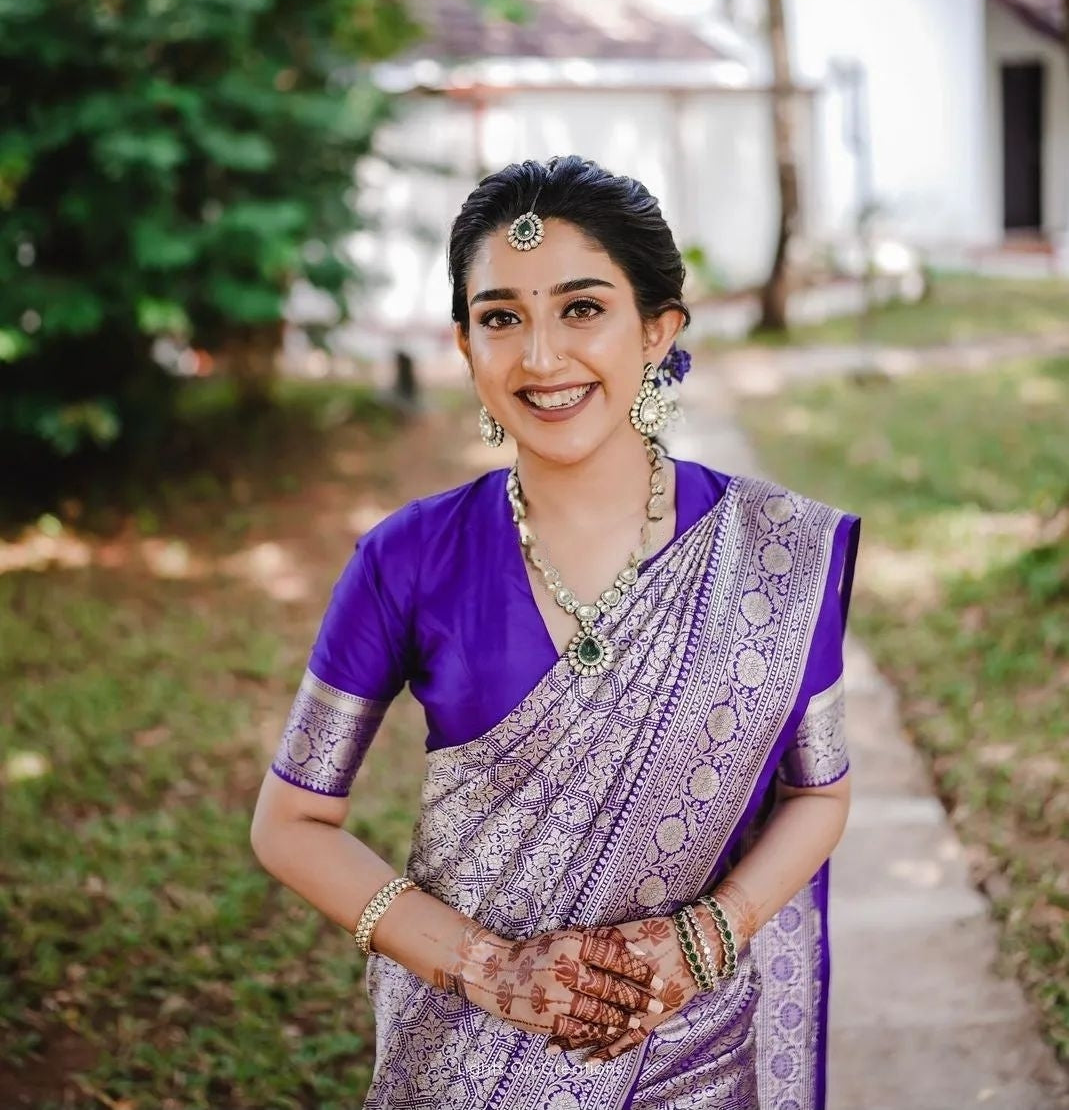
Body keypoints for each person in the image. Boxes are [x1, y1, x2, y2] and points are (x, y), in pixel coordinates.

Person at [251, 155, 860, 1109]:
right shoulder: (407, 559)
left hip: (696, 1055)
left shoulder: (775, 553)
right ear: (464, 346)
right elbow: (289, 824)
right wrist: (487, 969)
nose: (539, 358)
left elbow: (818, 794)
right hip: (466, 1056)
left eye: (582, 308)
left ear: (658, 330)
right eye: (501, 317)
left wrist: (704, 937)